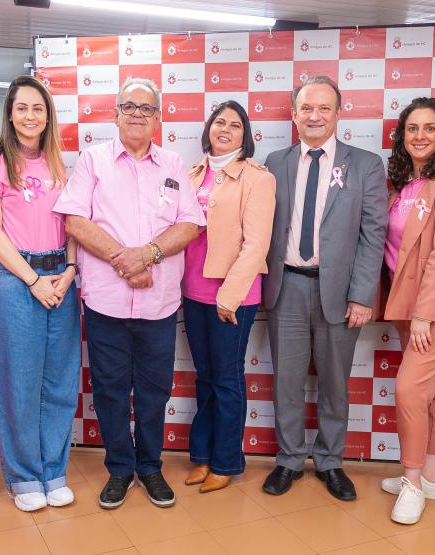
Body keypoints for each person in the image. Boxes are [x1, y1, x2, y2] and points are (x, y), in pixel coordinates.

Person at [53, 78, 203, 510]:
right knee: (110, 390)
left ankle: (150, 466)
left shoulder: (174, 164)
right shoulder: (93, 161)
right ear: (116, 114)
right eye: (129, 106)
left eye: (146, 108)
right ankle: (119, 468)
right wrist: (125, 261)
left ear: (158, 118)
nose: (137, 113)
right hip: (106, 302)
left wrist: (147, 255)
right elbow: (74, 221)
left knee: (155, 391)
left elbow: (190, 224)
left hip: (159, 304)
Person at [261, 75, 387, 501]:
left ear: (338, 112)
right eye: (306, 108)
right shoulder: (274, 162)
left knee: (335, 384)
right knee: (287, 383)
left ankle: (331, 461)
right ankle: (289, 460)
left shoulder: (365, 164)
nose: (314, 116)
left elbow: (373, 234)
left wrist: (362, 295)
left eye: (323, 108)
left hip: (340, 292)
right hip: (286, 288)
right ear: (294, 114)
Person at [0, 76, 80, 512]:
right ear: (10, 114)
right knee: (19, 383)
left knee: (59, 382)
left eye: (38, 108)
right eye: (22, 108)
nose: (30, 116)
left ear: (48, 116)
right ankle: (23, 476)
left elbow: (72, 223)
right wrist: (33, 281)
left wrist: (70, 270)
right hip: (17, 280)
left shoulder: (59, 163)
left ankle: (53, 471)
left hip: (60, 277)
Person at [375, 97, 435, 524]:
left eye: (430, 128)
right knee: (431, 390)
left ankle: (412, 482)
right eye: (412, 128)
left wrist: (425, 314)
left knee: (409, 391)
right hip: (406, 302)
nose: (420, 136)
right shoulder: (403, 182)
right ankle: (432, 475)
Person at [182, 101, 275, 493]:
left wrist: (229, 296)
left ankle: (225, 462)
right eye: (219, 122)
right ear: (208, 129)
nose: (225, 129)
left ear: (245, 135)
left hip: (232, 297)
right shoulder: (192, 174)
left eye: (235, 125)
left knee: (226, 378)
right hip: (192, 291)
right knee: (205, 377)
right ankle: (202, 458)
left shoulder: (257, 178)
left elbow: (256, 245)